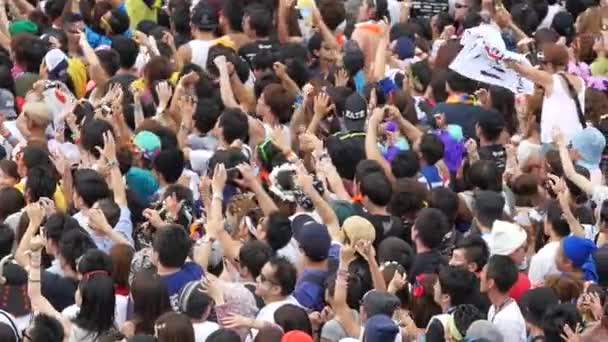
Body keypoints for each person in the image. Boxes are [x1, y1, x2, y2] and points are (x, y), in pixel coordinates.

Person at [480, 255, 526, 342]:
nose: (480, 276)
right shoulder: (493, 308)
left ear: (490, 283)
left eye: (483, 272)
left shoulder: (508, 321)